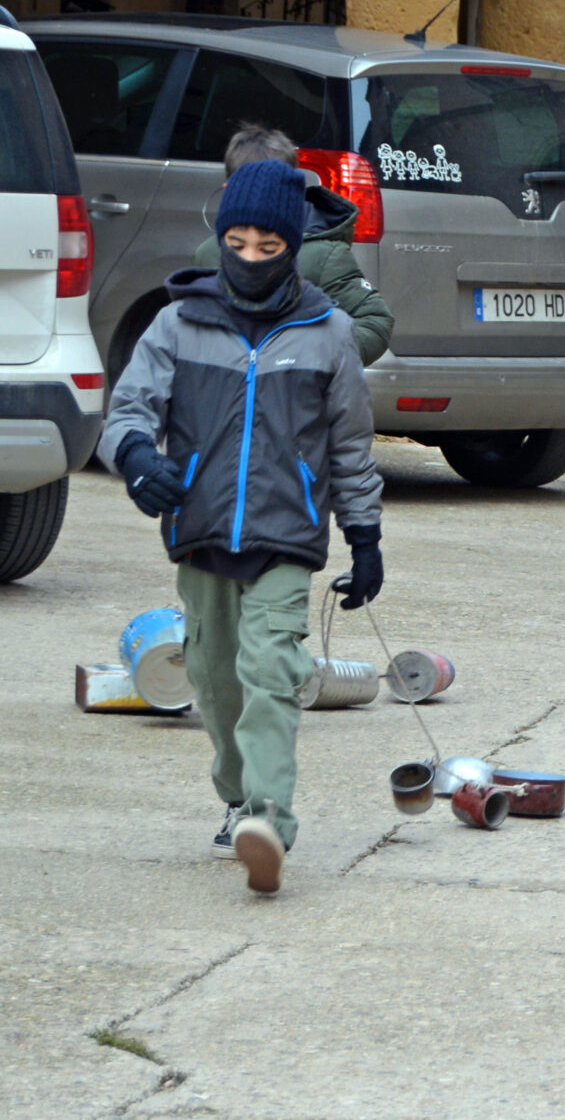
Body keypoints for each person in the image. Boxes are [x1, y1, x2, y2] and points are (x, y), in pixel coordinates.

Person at [104, 158, 385, 895]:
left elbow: (351, 448)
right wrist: (136, 457)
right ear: (220, 239)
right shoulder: (178, 323)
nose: (252, 258)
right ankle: (236, 793)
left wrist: (365, 537)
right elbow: (128, 410)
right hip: (200, 530)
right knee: (215, 680)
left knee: (270, 671)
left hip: (287, 535)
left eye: (270, 246)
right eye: (238, 243)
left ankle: (268, 817)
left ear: (293, 247)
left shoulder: (329, 334)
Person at [189, 126, 394, 365]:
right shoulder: (209, 253)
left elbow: (374, 320)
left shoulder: (323, 256)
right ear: (228, 190)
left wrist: (317, 356)